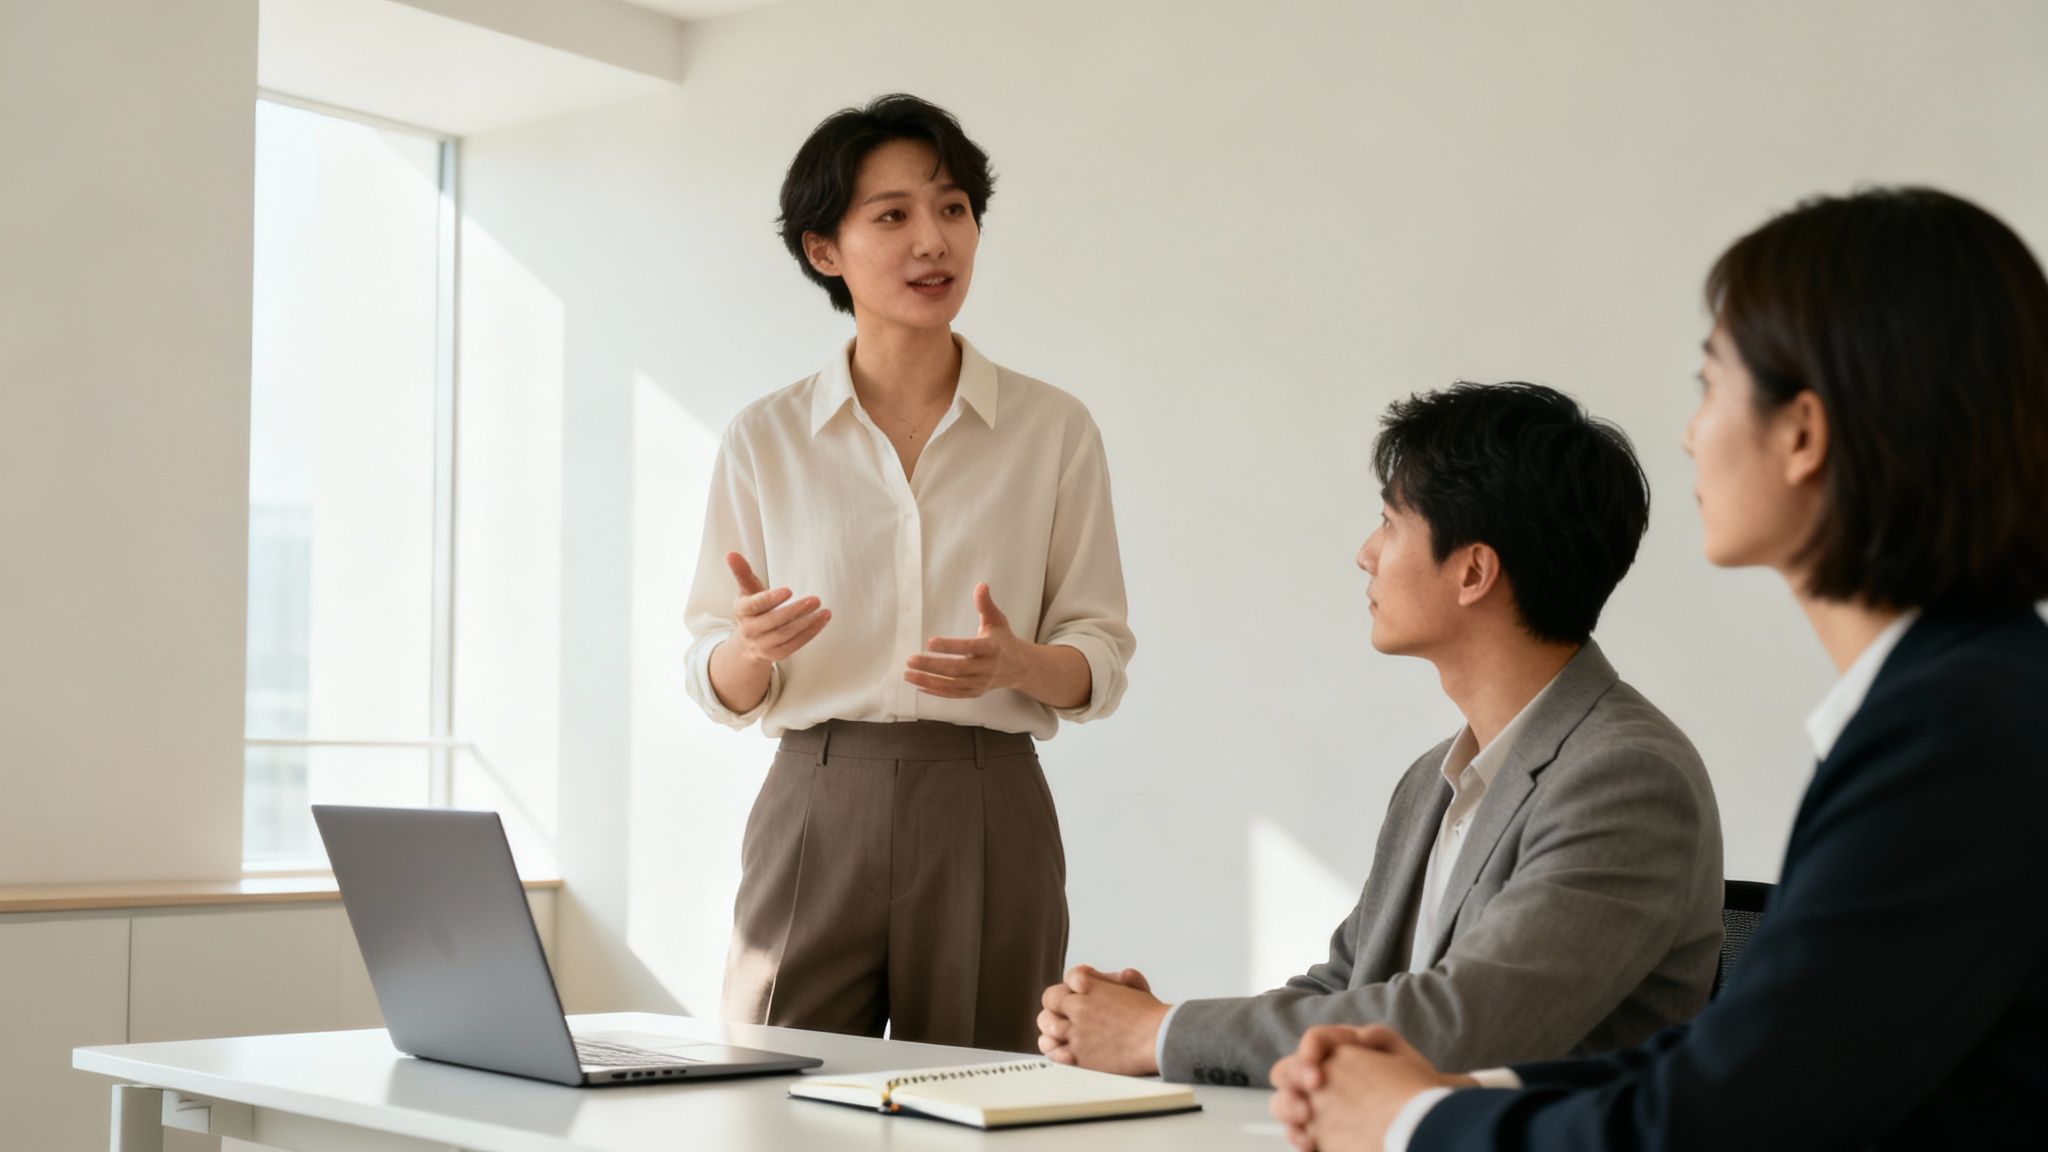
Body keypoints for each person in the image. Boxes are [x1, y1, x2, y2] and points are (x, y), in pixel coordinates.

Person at [1268, 187, 2048, 1151]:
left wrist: (1414, 1117)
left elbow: (1732, 1114)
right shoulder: (1965, 701)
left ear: (1803, 432)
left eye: (1709, 382)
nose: (1688, 432)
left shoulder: (1952, 736)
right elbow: (1737, 1058)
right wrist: (1432, 1092)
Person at [1037, 382, 1722, 1087]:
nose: (1365, 553)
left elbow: (1460, 1027)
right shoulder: (1436, 777)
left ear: (1474, 571)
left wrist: (1161, 1033)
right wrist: (1159, 1028)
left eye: (1390, 523)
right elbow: (1345, 986)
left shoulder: (1628, 777)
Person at [683, 94, 1135, 1053]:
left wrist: (1018, 664)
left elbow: (1098, 658)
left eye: (954, 208)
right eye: (892, 216)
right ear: (825, 252)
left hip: (987, 797)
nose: (934, 240)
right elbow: (712, 678)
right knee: (771, 1092)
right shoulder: (765, 438)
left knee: (982, 1098)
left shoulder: (1053, 430)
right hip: (816, 793)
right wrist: (750, 650)